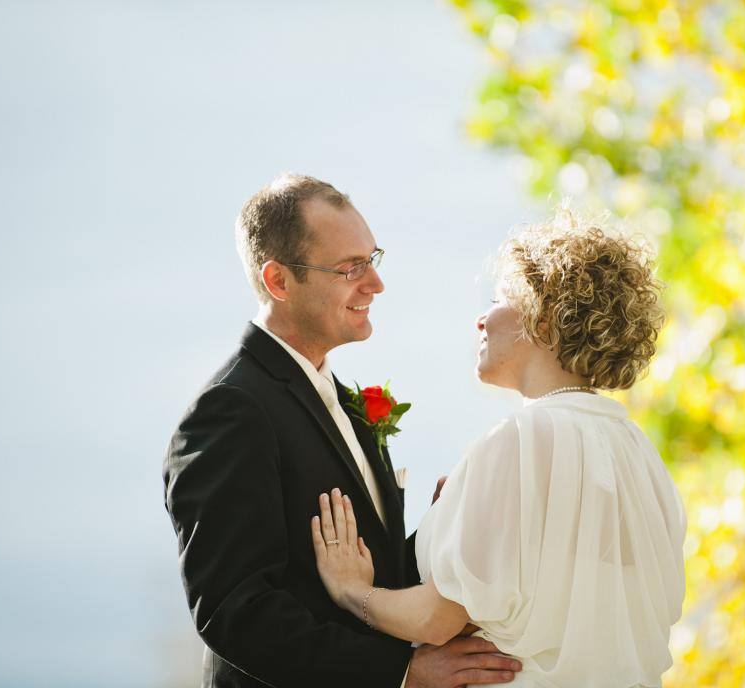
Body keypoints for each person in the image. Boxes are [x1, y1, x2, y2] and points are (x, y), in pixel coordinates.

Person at [163, 174, 522, 687]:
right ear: (279, 281)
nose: (375, 284)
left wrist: (444, 528)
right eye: (350, 268)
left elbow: (367, 570)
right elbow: (235, 612)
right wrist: (403, 672)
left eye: (372, 260)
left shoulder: (341, 399)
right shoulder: (231, 411)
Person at [311, 212, 687, 688]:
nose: (482, 318)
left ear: (546, 315)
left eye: (500, 298)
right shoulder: (638, 453)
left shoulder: (519, 441)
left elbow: (437, 619)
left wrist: (351, 592)